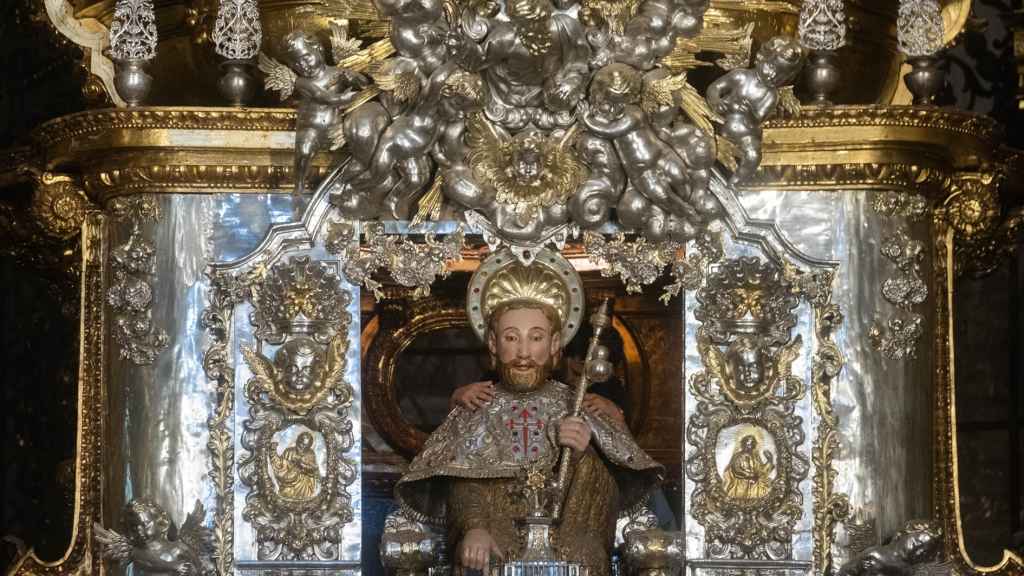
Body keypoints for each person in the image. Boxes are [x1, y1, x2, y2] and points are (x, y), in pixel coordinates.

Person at [395, 255, 662, 576]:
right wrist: (474, 528)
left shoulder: (579, 407)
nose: (523, 352)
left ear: (554, 345)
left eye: (535, 338)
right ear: (493, 344)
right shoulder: (478, 405)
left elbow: (609, 496)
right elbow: (464, 483)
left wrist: (582, 455)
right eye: (511, 337)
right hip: (493, 539)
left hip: (567, 541)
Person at [722, 434, 774, 501]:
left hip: (755, 485)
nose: (749, 446)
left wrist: (770, 461)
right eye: (748, 444)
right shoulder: (738, 456)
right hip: (741, 484)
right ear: (743, 445)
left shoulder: (756, 457)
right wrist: (750, 475)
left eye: (752, 444)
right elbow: (736, 469)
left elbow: (761, 471)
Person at [271, 431, 320, 501]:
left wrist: (302, 465)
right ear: (297, 441)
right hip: (288, 481)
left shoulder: (310, 453)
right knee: (285, 493)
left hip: (303, 482)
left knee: (304, 495)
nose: (302, 447)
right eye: (301, 443)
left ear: (309, 446)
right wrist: (273, 453)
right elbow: (281, 465)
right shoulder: (288, 451)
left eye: (306, 445)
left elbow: (314, 469)